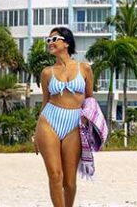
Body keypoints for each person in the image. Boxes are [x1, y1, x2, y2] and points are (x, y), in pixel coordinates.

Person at [35, 27, 94, 207]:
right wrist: (35, 134)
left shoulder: (84, 68)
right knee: (55, 175)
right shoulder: (47, 72)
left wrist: (90, 126)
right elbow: (45, 102)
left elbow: (90, 100)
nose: (50, 42)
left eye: (55, 39)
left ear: (67, 43)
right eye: (49, 40)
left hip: (74, 124)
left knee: (69, 181)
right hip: (49, 121)